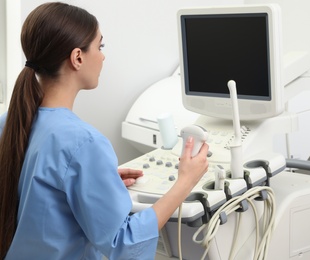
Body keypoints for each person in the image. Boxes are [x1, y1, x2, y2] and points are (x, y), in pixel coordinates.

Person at [0, 2, 209, 259]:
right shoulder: (83, 143)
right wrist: (186, 182)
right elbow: (123, 243)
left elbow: (40, 192)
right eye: (100, 46)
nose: (103, 56)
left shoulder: (10, 122)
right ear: (77, 57)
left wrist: (97, 182)